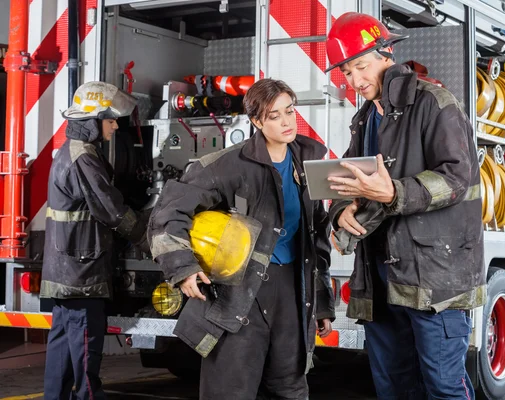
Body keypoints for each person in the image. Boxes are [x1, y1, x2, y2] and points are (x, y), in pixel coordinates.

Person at [325, 12, 485, 400]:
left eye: (361, 66)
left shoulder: (434, 103)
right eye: (347, 73)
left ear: (386, 53)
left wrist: (395, 193)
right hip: (380, 277)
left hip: (434, 276)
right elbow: (351, 177)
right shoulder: (364, 118)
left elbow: (457, 178)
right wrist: (341, 210)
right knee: (393, 385)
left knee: (443, 385)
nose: (356, 80)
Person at [147, 78, 335, 399]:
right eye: (274, 116)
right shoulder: (228, 165)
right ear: (257, 121)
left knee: (289, 388)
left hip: (292, 292)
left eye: (289, 111)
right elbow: (166, 215)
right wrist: (183, 268)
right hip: (240, 296)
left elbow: (316, 240)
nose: (286, 121)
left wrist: (322, 303)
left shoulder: (310, 160)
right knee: (230, 391)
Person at [41, 81, 149, 400]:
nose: (116, 125)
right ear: (92, 119)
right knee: (87, 354)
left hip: (67, 272)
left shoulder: (72, 151)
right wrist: (151, 239)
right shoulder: (83, 157)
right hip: (81, 274)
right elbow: (111, 210)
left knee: (62, 350)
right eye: (110, 118)